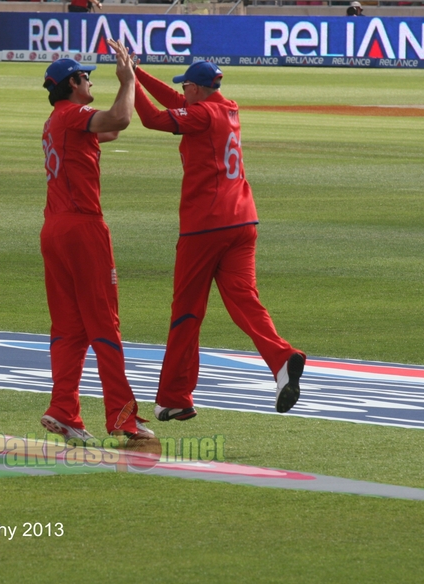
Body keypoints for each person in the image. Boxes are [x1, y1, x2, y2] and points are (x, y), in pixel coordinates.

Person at [131, 59, 307, 422]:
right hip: (243, 220)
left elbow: (152, 118)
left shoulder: (200, 116)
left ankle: (174, 396)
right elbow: (175, 101)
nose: (180, 92)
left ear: (195, 90)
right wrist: (137, 72)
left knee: (186, 313)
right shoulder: (226, 107)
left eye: (185, 87)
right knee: (246, 301)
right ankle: (281, 360)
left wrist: (126, 84)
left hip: (205, 227)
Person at [39, 41, 153, 443]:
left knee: (69, 328)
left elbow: (110, 131)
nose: (90, 81)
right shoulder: (72, 115)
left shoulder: (56, 121)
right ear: (73, 83)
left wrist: (125, 89)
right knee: (105, 324)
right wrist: (129, 79)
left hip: (53, 229)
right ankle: (123, 417)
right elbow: (121, 118)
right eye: (86, 77)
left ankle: (63, 409)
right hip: (82, 229)